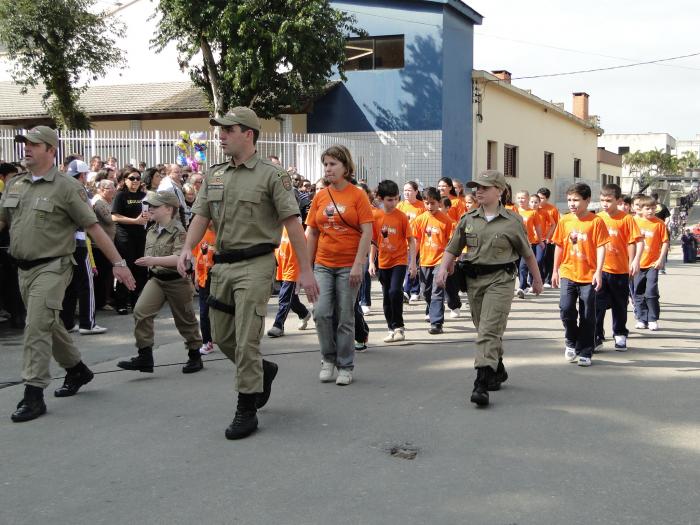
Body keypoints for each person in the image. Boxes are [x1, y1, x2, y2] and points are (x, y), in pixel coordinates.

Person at [178, 107, 319, 440]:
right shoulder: (214, 174)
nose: (221, 135)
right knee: (223, 337)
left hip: (256, 265)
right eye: (220, 130)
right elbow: (200, 216)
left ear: (249, 134)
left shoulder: (272, 175)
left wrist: (305, 272)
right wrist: (187, 248)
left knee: (245, 339)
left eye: (229, 129)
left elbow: (293, 224)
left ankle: (247, 407)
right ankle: (262, 371)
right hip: (222, 265)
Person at [0, 126, 135, 422]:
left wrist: (119, 263)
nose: (26, 148)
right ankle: (77, 370)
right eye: (24, 143)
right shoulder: (15, 184)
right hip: (21, 269)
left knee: (35, 326)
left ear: (50, 150)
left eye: (34, 145)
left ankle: (33, 394)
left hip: (53, 266)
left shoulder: (66, 187)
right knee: (47, 322)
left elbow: (93, 227)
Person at [435, 170, 541, 407]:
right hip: (474, 281)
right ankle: (498, 367)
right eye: (476, 188)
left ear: (499, 191)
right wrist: (443, 269)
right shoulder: (468, 218)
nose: (478, 191)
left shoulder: (513, 221)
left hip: (501, 280)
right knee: (483, 327)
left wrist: (536, 279)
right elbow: (453, 248)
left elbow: (527, 253)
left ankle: (481, 383)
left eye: (484, 187)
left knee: (488, 331)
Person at [305, 145, 373, 385]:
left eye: (333, 163)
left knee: (345, 317)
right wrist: (306, 267)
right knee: (321, 313)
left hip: (349, 265)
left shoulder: (358, 195)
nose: (328, 168)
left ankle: (345, 365)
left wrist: (359, 264)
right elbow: (312, 232)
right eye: (325, 164)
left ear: (346, 167)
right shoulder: (320, 196)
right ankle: (328, 359)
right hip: (323, 263)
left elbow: (367, 231)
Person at [117, 191, 204, 375]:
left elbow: (180, 258)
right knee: (141, 312)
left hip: (177, 281)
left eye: (155, 206)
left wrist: (152, 261)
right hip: (157, 279)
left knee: (185, 320)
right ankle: (145, 356)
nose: (150, 209)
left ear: (168, 209)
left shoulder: (179, 231)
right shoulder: (152, 229)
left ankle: (195, 354)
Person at [551, 183, 610, 367]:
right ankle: (571, 340)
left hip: (589, 275)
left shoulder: (596, 221)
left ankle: (585, 350)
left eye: (576, 200)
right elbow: (559, 245)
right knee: (566, 309)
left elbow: (601, 246)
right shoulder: (565, 220)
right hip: (568, 272)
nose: (572, 203)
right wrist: (555, 270)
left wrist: (599, 271)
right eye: (569, 200)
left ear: (587, 200)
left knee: (587, 314)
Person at [594, 184, 643, 351]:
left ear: (618, 201)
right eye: (602, 201)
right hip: (600, 271)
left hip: (621, 271)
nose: (605, 204)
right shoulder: (598, 218)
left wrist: (634, 261)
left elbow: (633, 241)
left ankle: (620, 334)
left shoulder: (627, 219)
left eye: (609, 201)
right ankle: (597, 336)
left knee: (619, 305)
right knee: (597, 305)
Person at [61, 160, 106, 335]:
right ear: (82, 175)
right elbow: (88, 215)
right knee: (86, 284)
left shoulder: (60, 188)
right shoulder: (80, 190)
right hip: (78, 241)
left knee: (70, 284)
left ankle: (67, 322)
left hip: (64, 242)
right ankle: (88, 323)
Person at [368, 180, 417, 343]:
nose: (394, 202)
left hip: (399, 260)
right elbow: (374, 241)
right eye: (390, 199)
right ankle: (391, 328)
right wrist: (371, 262)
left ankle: (399, 327)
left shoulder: (401, 216)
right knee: (386, 297)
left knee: (395, 292)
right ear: (381, 199)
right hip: (383, 261)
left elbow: (411, 240)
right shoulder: (375, 216)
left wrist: (412, 263)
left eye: (396, 198)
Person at [412, 187, 455, 335]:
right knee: (426, 292)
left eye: (433, 203)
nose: (430, 206)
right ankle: (433, 310)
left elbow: (451, 245)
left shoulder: (447, 221)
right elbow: (416, 242)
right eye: (427, 203)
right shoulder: (420, 220)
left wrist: (451, 263)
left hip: (440, 261)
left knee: (437, 290)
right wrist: (412, 262)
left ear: (439, 202)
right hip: (424, 261)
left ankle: (436, 322)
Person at [111, 167, 148, 314]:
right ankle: (121, 302)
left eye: (138, 178)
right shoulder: (121, 196)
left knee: (140, 269)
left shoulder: (144, 195)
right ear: (124, 180)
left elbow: (149, 213)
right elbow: (114, 217)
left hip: (141, 236)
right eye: (132, 178)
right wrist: (135, 221)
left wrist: (149, 217)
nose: (135, 181)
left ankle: (136, 302)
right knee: (126, 268)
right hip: (124, 237)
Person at [267, 226, 312, 337]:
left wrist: (303, 272)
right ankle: (304, 313)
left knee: (284, 298)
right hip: (282, 267)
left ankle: (278, 325)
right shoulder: (278, 226)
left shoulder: (295, 226)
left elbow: (305, 249)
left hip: (293, 269)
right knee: (292, 299)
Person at [633, 196, 670, 331]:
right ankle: (642, 318)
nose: (651, 211)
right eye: (647, 208)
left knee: (651, 291)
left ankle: (653, 318)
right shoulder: (634, 222)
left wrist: (661, 259)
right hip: (637, 264)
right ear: (640, 209)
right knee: (638, 292)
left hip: (652, 264)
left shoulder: (659, 223)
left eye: (653, 208)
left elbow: (665, 242)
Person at [397, 181, 425, 304]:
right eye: (405, 190)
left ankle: (412, 291)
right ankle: (411, 290)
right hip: (402, 241)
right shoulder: (400, 206)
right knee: (408, 266)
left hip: (417, 241)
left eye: (409, 190)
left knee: (413, 266)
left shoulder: (422, 206)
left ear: (416, 191)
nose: (406, 193)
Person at [92, 179, 117, 310]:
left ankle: (105, 299)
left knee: (107, 274)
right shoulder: (99, 202)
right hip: (99, 245)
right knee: (101, 275)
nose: (114, 190)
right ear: (101, 190)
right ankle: (101, 302)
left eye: (114, 187)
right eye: (110, 188)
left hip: (109, 242)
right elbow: (109, 219)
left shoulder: (108, 201)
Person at [514, 190, 544, 298]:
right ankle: (525, 284)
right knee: (518, 267)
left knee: (523, 266)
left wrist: (540, 241)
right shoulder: (514, 211)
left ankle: (522, 287)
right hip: (515, 243)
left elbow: (537, 227)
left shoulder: (533, 212)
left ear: (528, 199)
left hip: (528, 243)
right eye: (519, 198)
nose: (521, 200)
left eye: (523, 198)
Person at [193, 221, 217, 355]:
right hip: (204, 279)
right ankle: (207, 341)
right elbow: (198, 256)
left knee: (223, 309)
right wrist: (196, 275)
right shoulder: (200, 234)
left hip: (219, 278)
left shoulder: (223, 234)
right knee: (204, 312)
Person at [537, 187, 560, 288]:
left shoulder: (552, 209)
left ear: (547, 198)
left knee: (548, 260)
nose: (539, 200)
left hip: (550, 239)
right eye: (538, 197)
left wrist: (553, 238)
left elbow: (557, 224)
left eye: (542, 198)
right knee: (539, 259)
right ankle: (540, 279)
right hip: (538, 238)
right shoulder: (535, 208)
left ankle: (548, 280)